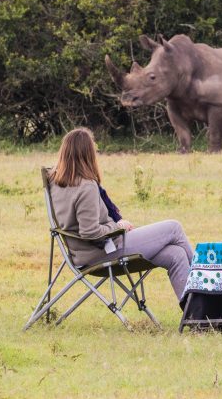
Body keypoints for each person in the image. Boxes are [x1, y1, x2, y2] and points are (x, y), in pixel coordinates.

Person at [48, 128, 193, 302]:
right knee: (174, 228)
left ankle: (195, 312)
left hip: (86, 252)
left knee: (175, 254)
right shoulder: (86, 187)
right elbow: (90, 232)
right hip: (102, 252)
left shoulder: (55, 180)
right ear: (88, 154)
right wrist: (118, 226)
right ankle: (209, 283)